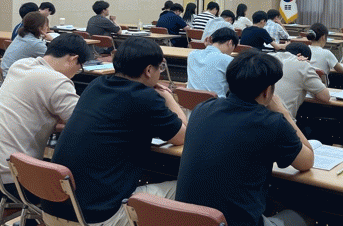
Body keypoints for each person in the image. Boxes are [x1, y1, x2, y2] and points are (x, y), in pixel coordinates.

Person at [45, 37, 187, 226]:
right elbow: (184, 136)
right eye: (160, 67)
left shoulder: (97, 85)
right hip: (97, 217)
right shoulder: (145, 97)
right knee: (187, 187)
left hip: (54, 209)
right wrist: (168, 97)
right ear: (148, 70)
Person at [176, 50, 315, 226]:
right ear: (267, 91)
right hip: (234, 222)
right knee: (308, 213)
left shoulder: (202, 109)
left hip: (189, 219)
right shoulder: (272, 123)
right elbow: (307, 161)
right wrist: (284, 112)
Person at [0, 34, 90, 199]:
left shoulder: (20, 65)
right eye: (79, 67)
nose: (76, 73)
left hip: (4, 172)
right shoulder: (57, 81)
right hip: (15, 179)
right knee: (81, 183)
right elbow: (84, 125)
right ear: (73, 59)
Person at [270, 42, 330, 118]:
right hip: (281, 121)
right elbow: (325, 97)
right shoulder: (303, 65)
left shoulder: (268, 57)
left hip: (257, 116)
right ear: (302, 57)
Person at [187, 27, 238, 98]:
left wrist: (208, 47)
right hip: (216, 103)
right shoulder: (228, 60)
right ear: (230, 43)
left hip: (190, 101)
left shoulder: (192, 55)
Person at [1, 12, 49, 79]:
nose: (47, 28)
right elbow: (51, 62)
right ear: (40, 28)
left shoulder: (21, 36)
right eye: (46, 25)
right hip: (13, 78)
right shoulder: (36, 44)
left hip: (5, 74)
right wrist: (53, 40)